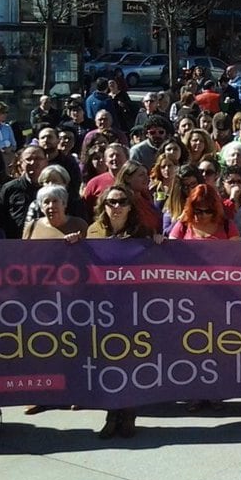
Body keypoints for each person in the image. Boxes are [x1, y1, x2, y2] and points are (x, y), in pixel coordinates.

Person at [87, 183, 157, 439]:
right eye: (111, 202)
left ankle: (128, 415)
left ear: (130, 206)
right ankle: (111, 414)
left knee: (129, 363)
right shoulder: (93, 232)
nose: (116, 207)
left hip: (133, 309)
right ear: (103, 206)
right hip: (103, 309)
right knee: (108, 363)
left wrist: (159, 244)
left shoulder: (143, 233)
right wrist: (71, 243)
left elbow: (157, 265)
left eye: (122, 202)